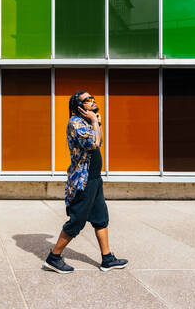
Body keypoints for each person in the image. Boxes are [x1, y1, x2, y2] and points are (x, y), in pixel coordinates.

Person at [43, 90, 128, 273]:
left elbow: (101, 140)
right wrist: (95, 122)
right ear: (79, 107)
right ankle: (53, 258)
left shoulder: (87, 122)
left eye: (92, 98)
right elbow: (92, 144)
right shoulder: (75, 123)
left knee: (101, 218)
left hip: (95, 178)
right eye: (87, 100)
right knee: (77, 220)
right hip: (84, 180)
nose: (92, 101)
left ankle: (107, 259)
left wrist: (96, 121)